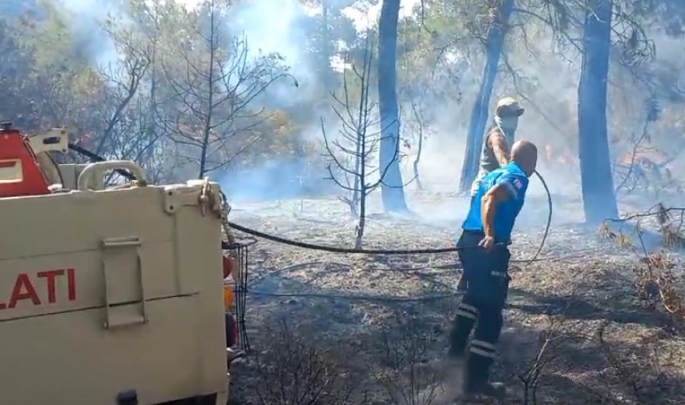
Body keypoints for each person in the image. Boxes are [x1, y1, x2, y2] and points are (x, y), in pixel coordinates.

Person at [448, 140, 538, 400]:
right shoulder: (518, 176)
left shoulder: (494, 173)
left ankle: (453, 360)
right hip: (488, 247)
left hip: (468, 240)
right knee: (491, 315)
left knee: (473, 299)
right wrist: (489, 236)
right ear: (530, 160)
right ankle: (475, 380)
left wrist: (470, 262)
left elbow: (477, 201)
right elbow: (490, 199)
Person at [457, 97, 525, 292]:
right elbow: (501, 155)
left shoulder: (510, 135)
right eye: (512, 115)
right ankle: (468, 276)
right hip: (483, 192)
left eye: (516, 115)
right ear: (502, 115)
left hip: (498, 189)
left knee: (495, 233)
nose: (515, 119)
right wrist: (514, 166)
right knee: (478, 235)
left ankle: (491, 271)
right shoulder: (496, 135)